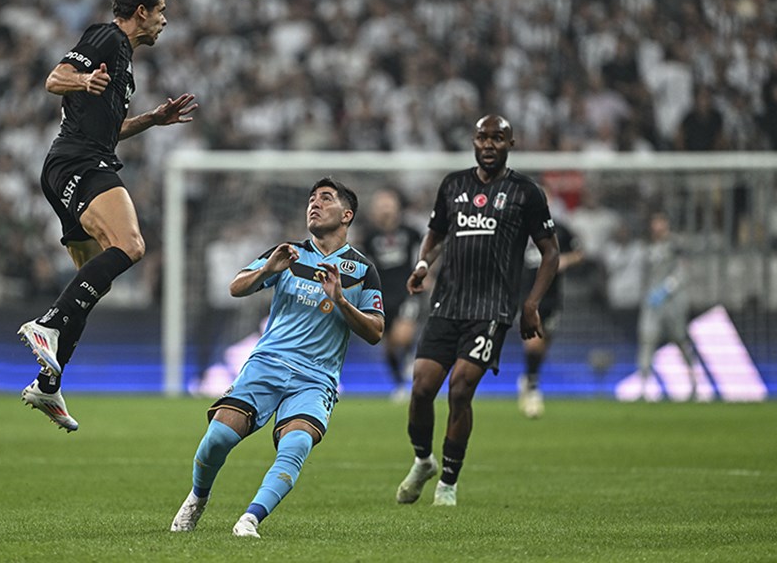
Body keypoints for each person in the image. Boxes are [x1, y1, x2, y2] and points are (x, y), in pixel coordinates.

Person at [17, 0, 197, 432]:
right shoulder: (108, 37)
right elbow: (55, 78)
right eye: (160, 12)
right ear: (141, 12)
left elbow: (108, 129)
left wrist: (152, 120)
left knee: (94, 278)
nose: (164, 21)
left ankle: (48, 384)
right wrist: (80, 81)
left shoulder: (124, 65)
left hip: (74, 163)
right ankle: (48, 326)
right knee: (132, 245)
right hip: (79, 164)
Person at [170, 178, 384, 538]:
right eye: (311, 198)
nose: (314, 204)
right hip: (268, 363)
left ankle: (250, 519)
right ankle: (197, 497)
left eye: (325, 199)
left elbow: (376, 331)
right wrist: (268, 269)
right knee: (219, 436)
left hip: (316, 378)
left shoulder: (362, 270)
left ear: (347, 215)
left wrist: (342, 301)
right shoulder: (289, 253)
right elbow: (236, 287)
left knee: (297, 443)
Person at [395, 114, 559, 507]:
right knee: (420, 389)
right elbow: (435, 233)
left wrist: (531, 302)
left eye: (497, 138)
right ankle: (423, 460)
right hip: (447, 303)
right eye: (483, 137)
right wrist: (422, 264)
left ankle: (448, 484)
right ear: (473, 141)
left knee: (461, 388)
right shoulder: (453, 185)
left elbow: (551, 251)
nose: (488, 145)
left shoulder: (526, 192)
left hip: (491, 309)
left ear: (510, 144)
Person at [517, 201, 585, 418]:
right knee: (533, 343)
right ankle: (533, 388)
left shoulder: (560, 229)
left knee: (543, 344)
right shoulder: (517, 227)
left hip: (552, 297)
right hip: (526, 295)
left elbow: (579, 252)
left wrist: (565, 259)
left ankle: (529, 376)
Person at [359, 187, 423, 400]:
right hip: (381, 295)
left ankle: (410, 360)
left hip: (407, 292)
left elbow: (425, 254)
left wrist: (426, 274)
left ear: (397, 207)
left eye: (389, 203)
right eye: (381, 204)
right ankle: (399, 385)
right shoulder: (369, 236)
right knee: (388, 347)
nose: (385, 208)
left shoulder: (410, 232)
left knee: (402, 335)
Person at [637, 212, 698, 401]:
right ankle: (644, 387)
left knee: (679, 339)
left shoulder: (676, 244)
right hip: (652, 301)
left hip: (673, 301)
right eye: (655, 223)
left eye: (661, 223)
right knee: (647, 338)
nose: (658, 227)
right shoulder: (647, 246)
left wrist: (666, 289)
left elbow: (683, 270)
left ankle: (694, 382)